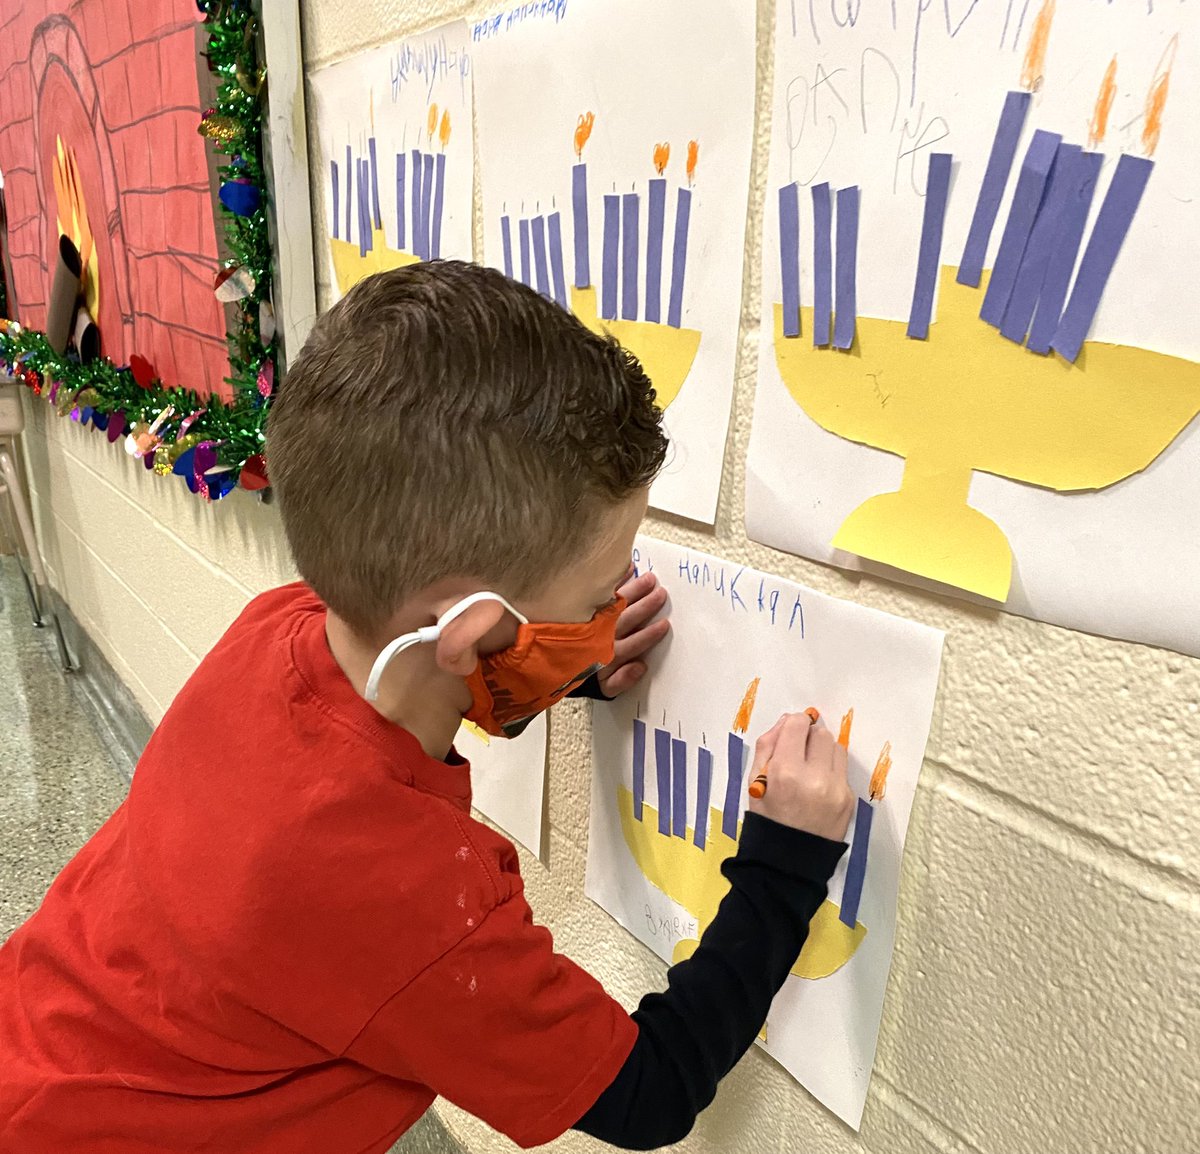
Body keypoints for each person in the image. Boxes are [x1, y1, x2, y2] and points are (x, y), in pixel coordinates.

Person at [0, 262, 853, 1152]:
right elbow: (650, 1092)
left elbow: (428, 675)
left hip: (37, 1048)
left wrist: (565, 663)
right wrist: (785, 861)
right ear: (473, 631)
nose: (610, 613)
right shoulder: (405, 893)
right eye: (599, 595)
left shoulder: (278, 629)